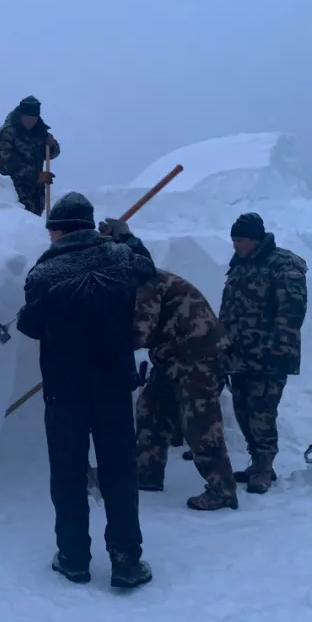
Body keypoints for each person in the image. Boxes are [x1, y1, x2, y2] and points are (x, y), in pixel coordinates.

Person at [15, 192, 156, 589]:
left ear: (60, 231)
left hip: (65, 391)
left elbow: (29, 326)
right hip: (112, 386)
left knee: (68, 474)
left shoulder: (43, 274)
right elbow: (149, 270)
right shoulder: (121, 258)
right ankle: (126, 560)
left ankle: (74, 558)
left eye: (51, 231)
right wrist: (126, 239)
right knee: (119, 473)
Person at [99, 219, 241, 511]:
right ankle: (146, 473)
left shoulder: (144, 283)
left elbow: (140, 333)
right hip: (172, 356)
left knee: (200, 422)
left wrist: (96, 344)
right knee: (150, 408)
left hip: (200, 356)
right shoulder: (136, 275)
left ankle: (223, 490)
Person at [218, 212, 308, 494]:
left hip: (269, 356)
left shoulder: (283, 264)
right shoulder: (239, 266)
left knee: (262, 412)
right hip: (240, 354)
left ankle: (264, 467)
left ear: (255, 239)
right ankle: (256, 462)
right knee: (243, 410)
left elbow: (292, 312)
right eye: (233, 240)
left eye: (240, 240)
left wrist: (276, 349)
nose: (235, 246)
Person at [0, 96, 60, 217]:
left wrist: (52, 145)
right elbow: (8, 163)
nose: (32, 121)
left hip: (35, 195)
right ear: (21, 115)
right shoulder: (8, 132)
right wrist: (36, 176)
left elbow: (51, 155)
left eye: (34, 118)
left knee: (34, 228)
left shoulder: (40, 133)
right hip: (13, 193)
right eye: (28, 118)